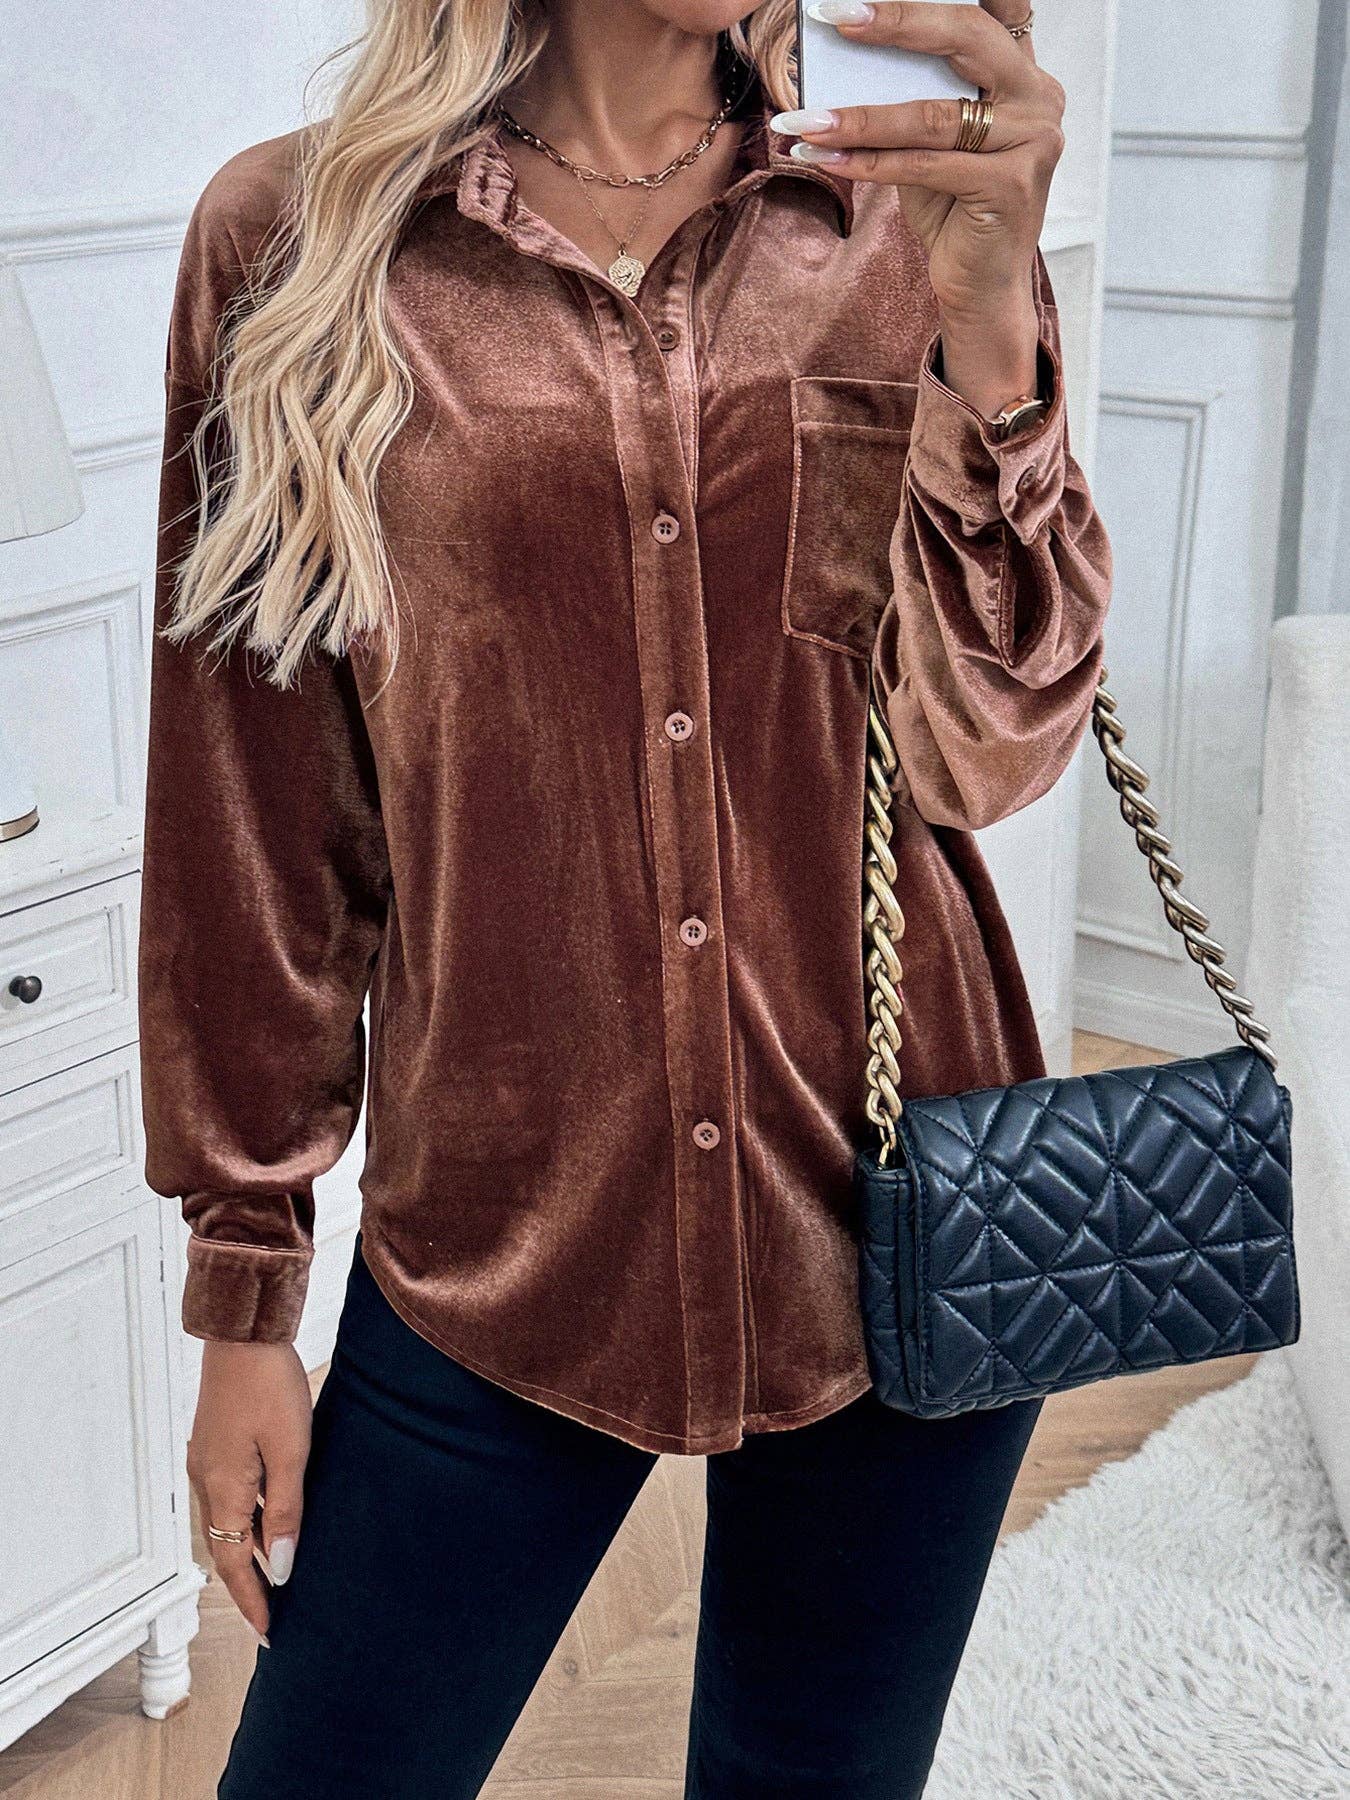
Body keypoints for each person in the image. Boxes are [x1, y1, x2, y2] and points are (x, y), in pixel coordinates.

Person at [137, 2, 1112, 1794]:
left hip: (912, 1209)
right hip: (504, 1237)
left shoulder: (898, 210)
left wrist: (987, 328)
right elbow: (253, 809)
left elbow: (992, 748)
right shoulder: (295, 240)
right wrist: (243, 1294)